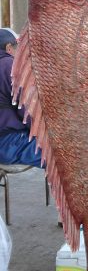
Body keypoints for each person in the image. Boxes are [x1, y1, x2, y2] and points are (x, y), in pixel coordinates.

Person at [0, 28, 42, 167]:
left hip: (5, 141)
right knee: (64, 155)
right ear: (9, 48)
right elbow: (27, 109)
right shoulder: (9, 66)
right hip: (7, 143)